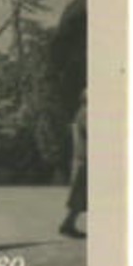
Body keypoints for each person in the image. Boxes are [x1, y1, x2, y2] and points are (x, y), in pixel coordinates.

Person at [59, 91, 87, 239]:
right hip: (84, 158)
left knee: (80, 195)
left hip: (82, 157)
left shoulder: (81, 112)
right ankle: (67, 225)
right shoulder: (86, 113)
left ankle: (68, 224)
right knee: (79, 195)